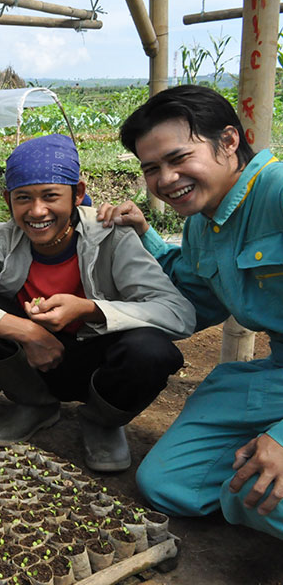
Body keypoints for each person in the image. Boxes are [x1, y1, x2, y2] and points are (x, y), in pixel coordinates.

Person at [0, 134, 195, 471]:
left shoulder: (112, 234)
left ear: (77, 194)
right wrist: (29, 333)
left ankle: (101, 419)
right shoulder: (2, 238)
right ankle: (35, 404)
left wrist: (89, 308)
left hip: (99, 362)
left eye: (51, 196)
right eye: (23, 198)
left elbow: (179, 314)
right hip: (34, 362)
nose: (37, 211)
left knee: (152, 349)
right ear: (8, 199)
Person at [96, 85, 283, 538]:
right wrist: (142, 241)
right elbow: (191, 302)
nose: (166, 178)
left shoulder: (277, 194)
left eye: (179, 158)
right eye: (152, 168)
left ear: (229, 141)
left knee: (259, 494)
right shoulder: (203, 225)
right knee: (169, 485)